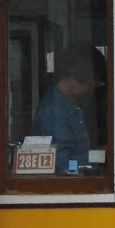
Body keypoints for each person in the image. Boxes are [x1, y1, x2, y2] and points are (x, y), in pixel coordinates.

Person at [32, 44, 105, 174]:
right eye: (95, 79)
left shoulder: (71, 104)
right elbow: (64, 166)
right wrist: (101, 155)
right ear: (82, 73)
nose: (94, 86)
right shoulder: (54, 111)